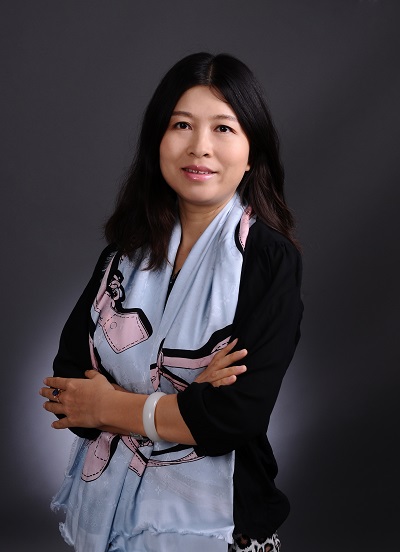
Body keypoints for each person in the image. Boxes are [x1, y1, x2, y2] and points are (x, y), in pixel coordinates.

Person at [40, 52, 303, 552]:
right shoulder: (123, 254)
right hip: (111, 526)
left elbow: (234, 418)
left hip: (225, 529)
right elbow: (66, 387)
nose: (200, 146)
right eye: (182, 125)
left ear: (252, 151)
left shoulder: (269, 260)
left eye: (223, 128)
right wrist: (186, 397)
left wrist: (109, 404)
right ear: (157, 142)